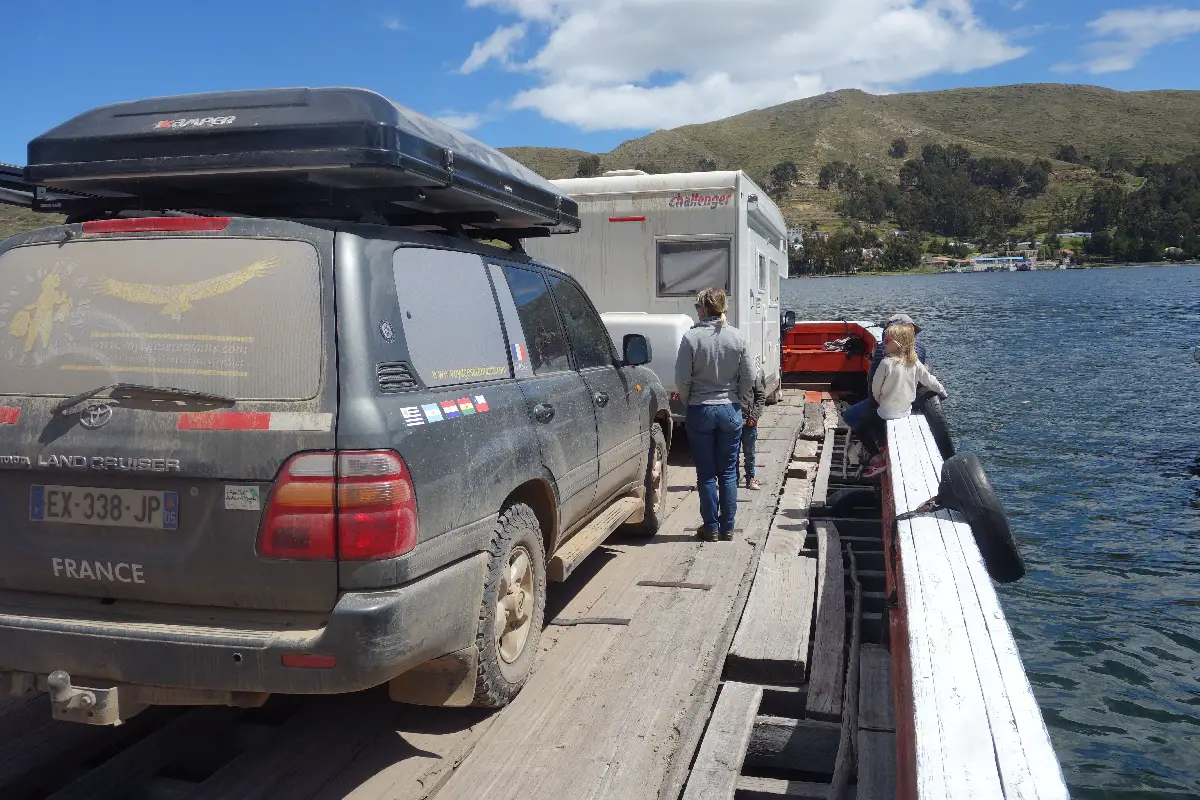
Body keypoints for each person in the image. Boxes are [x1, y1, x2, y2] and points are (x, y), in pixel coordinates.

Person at [676, 287, 754, 541]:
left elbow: (682, 380)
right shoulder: (737, 338)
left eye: (697, 307)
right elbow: (749, 377)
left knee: (707, 473)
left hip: (700, 409)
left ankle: (710, 527)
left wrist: (690, 401)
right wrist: (737, 396)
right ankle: (728, 527)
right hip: (730, 409)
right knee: (729, 472)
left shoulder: (691, 339)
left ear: (704, 309)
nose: (696, 311)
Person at [853, 323, 947, 478]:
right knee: (880, 418)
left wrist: (880, 401)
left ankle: (878, 460)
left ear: (896, 344)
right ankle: (885, 449)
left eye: (887, 340)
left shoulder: (885, 363)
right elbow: (930, 380)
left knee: (862, 428)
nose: (884, 343)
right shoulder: (915, 363)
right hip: (905, 412)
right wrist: (942, 391)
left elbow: (875, 389)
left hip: (886, 411)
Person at [842, 312, 929, 439]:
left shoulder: (883, 350)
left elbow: (873, 386)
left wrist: (875, 408)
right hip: (910, 401)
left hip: (888, 403)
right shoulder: (920, 348)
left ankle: (878, 443)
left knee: (849, 417)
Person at [740, 364, 767, 490]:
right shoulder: (728, 376)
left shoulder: (752, 376)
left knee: (749, 454)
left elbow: (761, 397)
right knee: (731, 455)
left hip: (749, 422)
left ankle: (751, 478)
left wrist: (754, 416)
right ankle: (733, 480)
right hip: (731, 423)